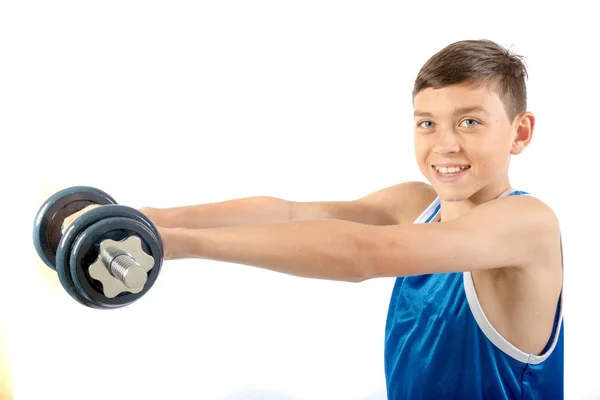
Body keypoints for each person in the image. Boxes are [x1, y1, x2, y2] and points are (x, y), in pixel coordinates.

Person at [62, 39, 564, 399]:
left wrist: (169, 243)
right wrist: (139, 217)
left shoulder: (525, 224)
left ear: (520, 133)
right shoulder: (415, 205)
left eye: (471, 122)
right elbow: (286, 212)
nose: (445, 144)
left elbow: (364, 253)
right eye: (427, 123)